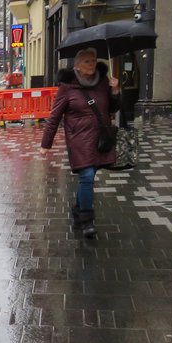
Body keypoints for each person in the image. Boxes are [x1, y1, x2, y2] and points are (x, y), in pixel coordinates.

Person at [40, 47, 121, 239]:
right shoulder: (67, 87)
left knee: (89, 176)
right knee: (87, 175)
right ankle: (87, 221)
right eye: (87, 61)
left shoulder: (102, 82)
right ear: (77, 66)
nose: (91, 64)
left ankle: (78, 211)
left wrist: (115, 90)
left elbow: (114, 108)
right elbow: (54, 116)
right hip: (78, 139)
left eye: (93, 61)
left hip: (99, 138)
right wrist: (46, 144)